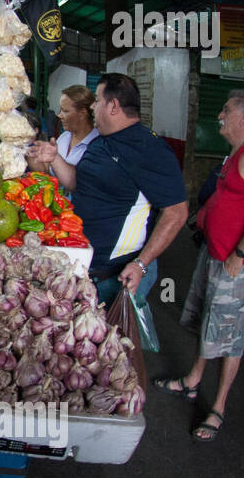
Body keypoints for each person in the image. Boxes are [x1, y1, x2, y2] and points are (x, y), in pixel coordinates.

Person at [154, 91, 244, 441]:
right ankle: (193, 381)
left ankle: (219, 407)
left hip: (238, 262)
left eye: (225, 109)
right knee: (208, 323)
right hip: (215, 254)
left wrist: (239, 253)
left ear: (243, 115)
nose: (220, 115)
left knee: (231, 337)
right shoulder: (236, 152)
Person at [29, 72, 188, 307]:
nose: (93, 106)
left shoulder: (150, 149)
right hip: (82, 264)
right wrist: (54, 158)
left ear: (113, 106)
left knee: (117, 339)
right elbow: (75, 181)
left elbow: (177, 212)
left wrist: (141, 264)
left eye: (97, 100)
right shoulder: (100, 141)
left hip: (115, 275)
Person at [28, 85, 98, 184]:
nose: (59, 115)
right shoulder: (64, 137)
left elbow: (79, 182)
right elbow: (46, 172)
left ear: (82, 113)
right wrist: (26, 151)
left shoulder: (97, 144)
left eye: (65, 111)